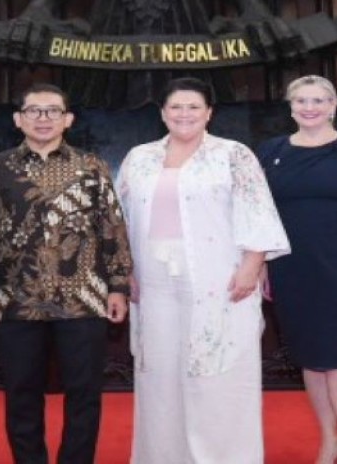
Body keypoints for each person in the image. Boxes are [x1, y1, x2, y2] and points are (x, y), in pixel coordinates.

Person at [117, 77, 290, 464]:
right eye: (176, 107)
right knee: (159, 376)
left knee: (218, 375)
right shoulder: (139, 157)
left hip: (219, 278)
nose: (184, 114)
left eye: (194, 106)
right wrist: (122, 270)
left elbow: (257, 211)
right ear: (162, 112)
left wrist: (252, 264)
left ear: (209, 112)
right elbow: (120, 220)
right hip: (153, 280)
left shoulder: (233, 154)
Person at [0, 83, 132, 464]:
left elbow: (112, 228)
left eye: (53, 111)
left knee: (84, 394)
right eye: (35, 110)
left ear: (68, 119)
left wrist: (118, 285)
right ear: (18, 119)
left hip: (84, 300)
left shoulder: (92, 165)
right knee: (21, 394)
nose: (44, 118)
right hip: (14, 300)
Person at [257, 74, 337, 464]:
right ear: (291, 107)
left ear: (333, 105)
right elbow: (260, 213)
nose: (309, 108)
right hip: (290, 267)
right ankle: (328, 440)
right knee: (310, 357)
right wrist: (262, 264)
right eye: (301, 101)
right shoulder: (271, 150)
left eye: (318, 101)